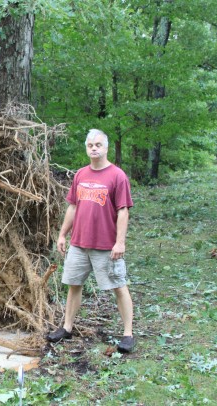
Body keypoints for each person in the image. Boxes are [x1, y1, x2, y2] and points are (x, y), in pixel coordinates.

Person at [47, 129, 135, 353]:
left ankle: (128, 334)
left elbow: (123, 211)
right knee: (74, 285)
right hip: (79, 243)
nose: (94, 148)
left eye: (98, 145)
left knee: (119, 286)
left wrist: (120, 242)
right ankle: (67, 328)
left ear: (106, 148)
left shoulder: (117, 176)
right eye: (90, 145)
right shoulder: (81, 175)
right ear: (86, 148)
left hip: (106, 246)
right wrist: (62, 234)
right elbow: (73, 207)